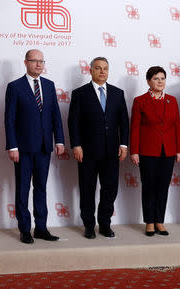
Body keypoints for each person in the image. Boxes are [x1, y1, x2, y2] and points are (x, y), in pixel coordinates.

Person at [4, 49, 65, 244]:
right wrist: (12, 146)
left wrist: (60, 140)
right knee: (23, 189)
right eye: (34, 61)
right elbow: (9, 119)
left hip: (44, 148)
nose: (38, 64)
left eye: (41, 61)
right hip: (22, 149)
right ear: (26, 62)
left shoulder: (49, 85)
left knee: (41, 188)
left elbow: (55, 115)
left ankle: (41, 228)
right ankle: (24, 229)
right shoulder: (14, 87)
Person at [68, 57, 129, 239]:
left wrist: (124, 144)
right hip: (87, 151)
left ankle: (105, 224)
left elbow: (124, 122)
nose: (102, 71)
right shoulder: (80, 93)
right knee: (87, 188)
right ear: (91, 70)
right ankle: (88, 225)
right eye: (98, 68)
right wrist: (76, 145)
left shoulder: (118, 93)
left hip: (112, 152)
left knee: (110, 189)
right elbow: (73, 122)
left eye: (105, 68)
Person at [130, 66, 180, 236]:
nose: (160, 82)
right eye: (156, 78)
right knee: (149, 187)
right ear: (148, 81)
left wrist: (179, 149)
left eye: (162, 78)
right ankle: (149, 222)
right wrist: (134, 151)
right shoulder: (140, 101)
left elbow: (177, 125)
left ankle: (160, 221)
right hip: (147, 151)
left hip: (168, 151)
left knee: (163, 187)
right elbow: (135, 128)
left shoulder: (172, 100)